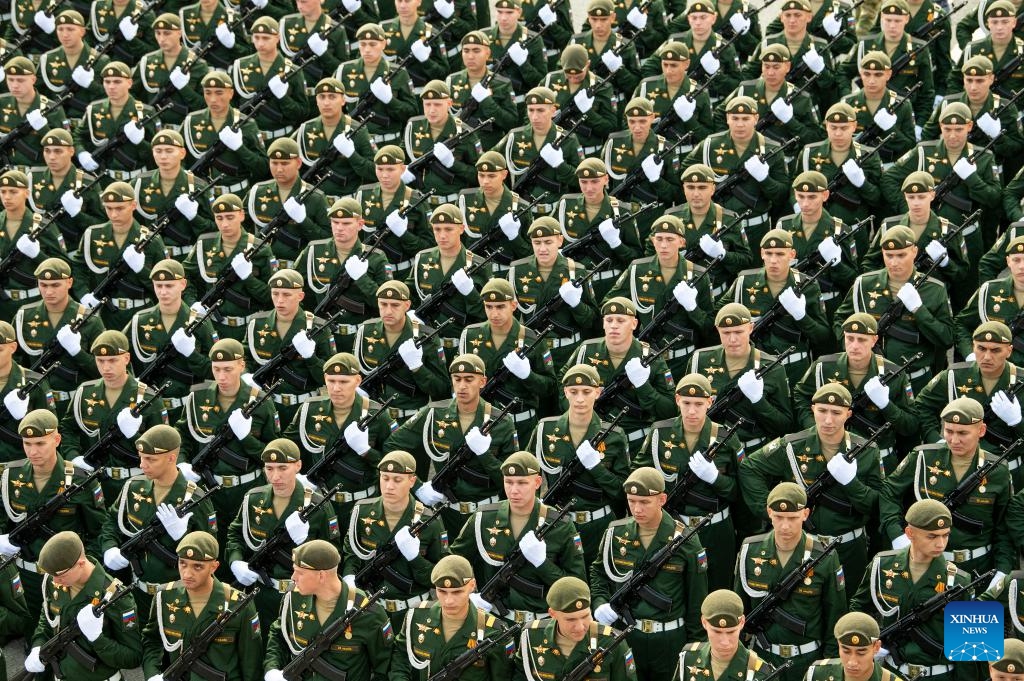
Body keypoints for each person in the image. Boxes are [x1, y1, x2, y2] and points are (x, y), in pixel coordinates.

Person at [740, 383, 882, 599]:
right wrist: (771, 510)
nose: (828, 420)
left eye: (836, 412)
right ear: (812, 409)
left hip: (849, 547)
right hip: (803, 548)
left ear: (849, 414)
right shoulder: (792, 446)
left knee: (848, 608)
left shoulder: (867, 451)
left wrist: (851, 482)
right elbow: (750, 468)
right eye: (822, 410)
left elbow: (876, 504)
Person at [589, 467, 709, 679]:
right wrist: (600, 603)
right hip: (627, 636)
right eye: (631, 501)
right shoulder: (615, 534)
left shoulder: (686, 541)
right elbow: (599, 572)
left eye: (644, 502)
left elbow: (696, 599)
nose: (637, 509)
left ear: (662, 499)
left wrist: (695, 647)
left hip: (669, 639)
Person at [879, 397, 1014, 580]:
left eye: (962, 433)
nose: (954, 440)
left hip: (978, 567)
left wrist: (1002, 570)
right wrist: (896, 534)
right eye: (948, 431)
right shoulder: (923, 457)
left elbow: (1003, 526)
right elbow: (888, 491)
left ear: (981, 430)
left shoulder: (998, 471)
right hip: (928, 565)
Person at [97, 424, 218, 626]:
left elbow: (211, 548)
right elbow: (111, 521)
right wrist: (109, 548)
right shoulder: (133, 487)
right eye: (142, 457)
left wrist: (183, 536)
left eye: (151, 459)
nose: (142, 464)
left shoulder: (195, 498)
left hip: (178, 596)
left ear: (171, 458)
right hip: (138, 592)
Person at [385, 353, 519, 536]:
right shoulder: (434, 414)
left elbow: (513, 479)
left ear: (483, 382)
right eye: (457, 379)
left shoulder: (502, 422)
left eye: (469, 379)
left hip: (490, 514)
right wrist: (416, 485)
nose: (462, 386)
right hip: (449, 514)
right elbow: (392, 446)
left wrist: (484, 454)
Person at [634, 373, 742, 591]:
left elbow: (739, 492)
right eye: (687, 403)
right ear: (677, 400)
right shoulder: (659, 434)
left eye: (699, 404)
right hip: (674, 528)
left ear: (710, 402)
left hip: (716, 529)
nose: (692, 411)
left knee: (717, 589)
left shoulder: (726, 438)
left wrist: (715, 478)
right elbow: (637, 476)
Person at [450, 451, 586, 623]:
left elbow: (577, 587)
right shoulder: (484, 518)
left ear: (537, 482)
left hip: (543, 623)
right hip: (495, 620)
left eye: (522, 483)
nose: (514, 490)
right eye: (509, 482)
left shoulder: (560, 526)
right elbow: (452, 562)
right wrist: (467, 593)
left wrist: (542, 564)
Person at [735, 482, 848, 681]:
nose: (785, 525)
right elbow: (739, 610)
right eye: (779, 517)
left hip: (807, 660)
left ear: (805, 514)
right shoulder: (749, 551)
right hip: (762, 658)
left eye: (793, 518)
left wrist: (828, 665)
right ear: (769, 512)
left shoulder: (824, 556)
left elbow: (835, 616)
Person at [850, 499, 973, 681]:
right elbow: (857, 609)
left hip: (939, 676)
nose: (941, 543)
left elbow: (971, 648)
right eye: (932, 536)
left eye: (945, 535)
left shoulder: (961, 580)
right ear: (909, 533)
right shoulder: (881, 565)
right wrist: (866, 643)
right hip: (892, 673)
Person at [226, 438, 341, 631]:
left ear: (298, 466)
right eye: (269, 469)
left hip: (303, 596)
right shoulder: (253, 499)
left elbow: (335, 553)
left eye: (282, 468)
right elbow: (236, 534)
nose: (275, 477)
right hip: (262, 593)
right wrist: (235, 561)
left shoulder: (317, 505)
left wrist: (307, 543)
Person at [175, 338, 281, 548]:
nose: (222, 376)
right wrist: (181, 462)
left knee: (249, 545)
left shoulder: (260, 402)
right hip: (207, 489)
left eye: (228, 369)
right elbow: (182, 434)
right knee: (208, 545)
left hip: (247, 488)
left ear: (242, 365)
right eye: (216, 369)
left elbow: (274, 453)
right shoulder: (198, 396)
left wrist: (246, 438)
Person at [0, 409, 107, 615]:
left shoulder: (80, 480)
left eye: (40, 443)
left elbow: (97, 531)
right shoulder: (10, 477)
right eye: (27, 444)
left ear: (57, 440)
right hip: (25, 574)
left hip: (67, 577)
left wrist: (82, 575)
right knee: (33, 635)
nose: (33, 451)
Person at [833, 225, 954, 394]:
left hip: (915, 379)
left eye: (901, 255)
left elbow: (947, 338)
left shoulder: (934, 290)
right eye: (888, 255)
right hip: (871, 379)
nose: (894, 262)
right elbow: (841, 319)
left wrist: (919, 310)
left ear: (914, 251)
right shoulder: (864, 284)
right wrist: (854, 347)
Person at [792, 313, 916, 477]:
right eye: (850, 338)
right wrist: (814, 427)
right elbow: (800, 396)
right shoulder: (823, 366)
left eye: (862, 339)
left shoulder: (893, 374)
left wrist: (886, 405)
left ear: (874, 340)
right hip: (830, 457)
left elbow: (910, 425)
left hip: (877, 460)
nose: (854, 346)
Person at [529, 364, 630, 564]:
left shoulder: (614, 436)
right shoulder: (544, 430)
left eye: (587, 392)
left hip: (598, 525)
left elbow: (622, 492)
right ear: (565, 392)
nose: (580, 399)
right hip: (557, 526)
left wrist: (597, 468)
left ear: (598, 393)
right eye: (574, 392)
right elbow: (527, 476)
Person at [342, 451, 449, 627]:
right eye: (385, 478)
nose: (389, 486)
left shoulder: (430, 521)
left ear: (412, 481)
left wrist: (415, 559)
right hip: (372, 610)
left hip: (413, 611)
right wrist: (349, 579)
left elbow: (440, 576)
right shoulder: (362, 511)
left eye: (397, 480)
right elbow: (351, 553)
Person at [60, 329, 169, 501]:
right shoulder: (85, 393)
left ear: (126, 358)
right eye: (100, 361)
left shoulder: (147, 398)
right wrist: (73, 456)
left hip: (136, 483)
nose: (106, 367)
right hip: (93, 481)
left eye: (112, 360)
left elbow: (164, 446)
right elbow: (68, 429)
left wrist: (135, 437)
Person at [264, 539, 395, 681]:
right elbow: (279, 635)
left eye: (299, 573)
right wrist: (272, 669)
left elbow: (384, 669)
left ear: (321, 575)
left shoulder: (367, 611)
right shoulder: (293, 599)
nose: (293, 578)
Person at [141, 531, 264, 681]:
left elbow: (251, 664)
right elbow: (152, 642)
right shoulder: (164, 597)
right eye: (182, 564)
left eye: (197, 567)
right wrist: (152, 675)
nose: (187, 574)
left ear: (214, 567)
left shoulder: (238, 604)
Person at [560, 297, 676, 455]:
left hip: (635, 442)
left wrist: (643, 386)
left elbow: (670, 410)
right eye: (609, 320)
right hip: (590, 440)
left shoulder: (652, 359)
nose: (614, 326)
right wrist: (578, 410)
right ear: (603, 323)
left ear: (634, 324)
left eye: (620, 320)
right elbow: (562, 386)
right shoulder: (586, 351)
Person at [717, 228, 832, 385]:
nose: (773, 260)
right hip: (754, 370)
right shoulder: (744, 282)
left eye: (780, 254)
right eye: (769, 253)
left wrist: (801, 316)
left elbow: (823, 336)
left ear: (792, 255)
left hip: (794, 368)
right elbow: (717, 318)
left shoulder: (808, 285)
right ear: (762, 253)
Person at [26, 531, 142, 681]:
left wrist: (97, 639)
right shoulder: (54, 581)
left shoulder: (115, 597)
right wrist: (37, 646)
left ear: (81, 563)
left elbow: (133, 657)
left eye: (60, 575)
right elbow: (48, 620)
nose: (55, 581)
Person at [681, 96, 790, 248]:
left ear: (756, 118)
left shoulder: (772, 149)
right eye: (735, 118)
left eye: (745, 118)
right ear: (727, 119)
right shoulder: (710, 145)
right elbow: (684, 175)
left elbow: (782, 195)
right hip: (717, 229)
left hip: (755, 229)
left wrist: (765, 179)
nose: (740, 124)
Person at [458, 278, 555, 443]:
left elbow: (550, 386)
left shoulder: (531, 339)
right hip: (483, 425)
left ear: (513, 305)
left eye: (500, 306)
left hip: (521, 423)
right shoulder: (470, 335)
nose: (494, 314)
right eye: (489, 307)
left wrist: (528, 376)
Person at [390, 554, 514, 680]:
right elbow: (400, 656)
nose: (448, 601)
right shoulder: (417, 616)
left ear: (472, 585)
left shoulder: (495, 631)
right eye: (442, 591)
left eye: (457, 592)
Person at [125, 258, 218, 420]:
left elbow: (216, 370)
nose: (163, 292)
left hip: (188, 409)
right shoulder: (140, 321)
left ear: (183, 284)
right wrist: (134, 387)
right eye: (158, 286)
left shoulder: (199, 323)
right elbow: (119, 357)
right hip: (150, 411)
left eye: (169, 286)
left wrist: (192, 354)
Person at [14, 258, 107, 415]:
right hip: (36, 404)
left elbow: (106, 371)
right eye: (43, 285)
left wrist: (77, 352)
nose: (49, 291)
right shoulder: (25, 316)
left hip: (78, 405)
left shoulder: (90, 320)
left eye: (55, 285)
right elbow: (13, 361)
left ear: (69, 283)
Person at [71, 181, 168, 330]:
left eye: (120, 208)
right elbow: (78, 267)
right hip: (106, 314)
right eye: (109, 208)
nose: (114, 214)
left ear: (133, 205)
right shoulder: (93, 235)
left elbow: (165, 282)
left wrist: (141, 270)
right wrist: (83, 294)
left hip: (142, 313)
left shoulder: (150, 240)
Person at [244, 269, 335, 426]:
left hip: (305, 407)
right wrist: (245, 376)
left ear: (300, 296)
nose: (279, 300)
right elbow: (245, 358)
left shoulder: (318, 328)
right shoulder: (257, 324)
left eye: (286, 294)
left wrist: (311, 358)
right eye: (275, 293)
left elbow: (330, 378)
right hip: (267, 406)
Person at [182, 192, 275, 343]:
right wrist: (192, 303)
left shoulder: (260, 249)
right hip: (213, 326)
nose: (224, 224)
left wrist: (248, 278)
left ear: (242, 215)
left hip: (248, 327)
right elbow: (183, 276)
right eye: (219, 218)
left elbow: (271, 296)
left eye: (230, 217)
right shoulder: (205, 244)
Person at [353, 281, 450, 423]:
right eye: (383, 304)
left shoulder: (426, 337)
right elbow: (356, 374)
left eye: (395, 305)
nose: (388, 311)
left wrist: (417, 367)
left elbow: (442, 390)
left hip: (412, 419)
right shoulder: (365, 331)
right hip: (375, 420)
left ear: (407, 305)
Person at [514, 575, 638, 680]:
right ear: (553, 614)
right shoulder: (531, 636)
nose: (580, 627)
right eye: (570, 619)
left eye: (585, 616)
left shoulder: (612, 642)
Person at [244, 138, 330, 269]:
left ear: (299, 163)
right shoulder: (257, 192)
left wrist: (303, 220)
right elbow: (239, 227)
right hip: (263, 269)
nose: (279, 169)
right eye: (274, 163)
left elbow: (328, 240)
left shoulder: (315, 198)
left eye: (284, 163)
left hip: (298, 270)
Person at [181, 70, 269, 196]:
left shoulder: (247, 124)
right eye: (208, 93)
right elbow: (178, 156)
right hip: (202, 196)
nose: (213, 99)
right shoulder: (191, 121)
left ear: (231, 93)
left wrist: (240, 148)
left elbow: (262, 168)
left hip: (237, 195)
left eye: (219, 93)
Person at [132, 129, 215, 259]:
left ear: (182, 153)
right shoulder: (140, 183)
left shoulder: (197, 186)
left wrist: (194, 217)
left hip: (186, 256)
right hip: (150, 256)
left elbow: (214, 229)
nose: (163, 156)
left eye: (169, 151)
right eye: (158, 151)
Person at [74, 61, 160, 184]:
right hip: (104, 180)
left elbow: (157, 152)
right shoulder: (94, 109)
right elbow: (78, 136)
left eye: (117, 82)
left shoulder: (146, 112)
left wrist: (140, 143)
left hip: (136, 179)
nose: (111, 87)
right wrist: (81, 153)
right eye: (107, 82)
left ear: (129, 83)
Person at [294, 78, 377, 199]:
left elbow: (375, 171)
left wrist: (352, 155)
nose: (326, 103)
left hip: (348, 203)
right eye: (322, 97)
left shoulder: (358, 130)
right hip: (316, 203)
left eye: (332, 97)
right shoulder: (306, 129)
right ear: (316, 101)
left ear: (343, 100)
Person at [0, 169, 66, 320]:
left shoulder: (43, 225)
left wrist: (38, 255)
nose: (7, 197)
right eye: (3, 191)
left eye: (13, 191)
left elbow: (64, 265)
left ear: (27, 193)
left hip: (33, 303)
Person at [229, 16, 308, 142]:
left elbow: (302, 113)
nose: (260, 43)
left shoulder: (292, 71)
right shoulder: (240, 66)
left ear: (277, 38)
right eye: (256, 37)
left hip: (281, 138)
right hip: (248, 139)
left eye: (266, 38)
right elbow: (231, 105)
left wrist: (283, 98)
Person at [670, 589, 777, 681]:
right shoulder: (688, 658)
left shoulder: (761, 673)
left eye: (731, 632)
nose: (725, 642)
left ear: (742, 623)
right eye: (717, 632)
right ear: (704, 622)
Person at [132, 13, 210, 126]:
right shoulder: (146, 62)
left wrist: (184, 88)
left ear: (179, 33)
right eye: (158, 33)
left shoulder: (197, 65)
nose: (161, 39)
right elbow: (132, 94)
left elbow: (205, 106)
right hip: (153, 128)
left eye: (167, 33)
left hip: (184, 129)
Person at [0, 56, 71, 172]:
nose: (15, 85)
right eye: (10, 80)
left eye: (20, 80)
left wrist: (43, 129)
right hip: (7, 173)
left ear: (33, 79)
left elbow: (66, 149)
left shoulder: (52, 108)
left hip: (39, 176)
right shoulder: (2, 103)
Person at [0, 320, 54, 463]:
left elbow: (50, 429)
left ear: (12, 347)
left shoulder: (34, 382)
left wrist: (25, 418)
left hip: (20, 469)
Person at [805, 612, 909, 681]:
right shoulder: (816, 674)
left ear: (876, 647)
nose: (852, 662)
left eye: (861, 653)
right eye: (846, 651)